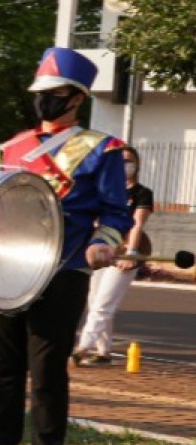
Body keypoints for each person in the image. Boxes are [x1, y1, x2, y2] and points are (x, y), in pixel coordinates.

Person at [0, 47, 126, 445]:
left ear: (76, 98)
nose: (44, 101)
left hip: (64, 269)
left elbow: (115, 211)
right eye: (41, 93)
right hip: (6, 267)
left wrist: (103, 240)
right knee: (4, 369)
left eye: (54, 93)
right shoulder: (16, 146)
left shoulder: (103, 149)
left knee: (47, 373)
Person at [73, 145, 154, 366]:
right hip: (104, 249)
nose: (126, 165)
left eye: (130, 161)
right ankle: (103, 352)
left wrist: (131, 253)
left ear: (137, 165)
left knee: (104, 304)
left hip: (126, 251)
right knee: (94, 301)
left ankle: (82, 348)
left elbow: (136, 224)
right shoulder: (106, 190)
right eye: (122, 161)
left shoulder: (141, 193)